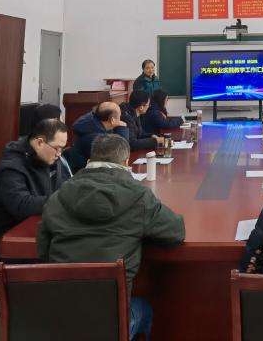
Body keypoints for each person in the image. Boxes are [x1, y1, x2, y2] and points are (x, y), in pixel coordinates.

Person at [37, 134, 185, 341]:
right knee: (146, 307)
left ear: (90, 161)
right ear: (126, 162)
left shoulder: (58, 196)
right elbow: (176, 232)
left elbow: (43, 252)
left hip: (59, 317)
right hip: (110, 324)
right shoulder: (139, 196)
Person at [0, 118, 70, 258]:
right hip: (8, 241)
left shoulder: (48, 158)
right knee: (69, 254)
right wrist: (64, 201)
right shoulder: (11, 167)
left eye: (62, 149)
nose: (59, 154)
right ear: (40, 142)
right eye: (57, 148)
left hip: (38, 229)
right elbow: (22, 205)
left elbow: (62, 188)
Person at [65, 101, 129, 172]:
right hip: (81, 174)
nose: (120, 119)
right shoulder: (95, 137)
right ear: (112, 120)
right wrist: (122, 128)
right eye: (119, 116)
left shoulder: (93, 125)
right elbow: (120, 152)